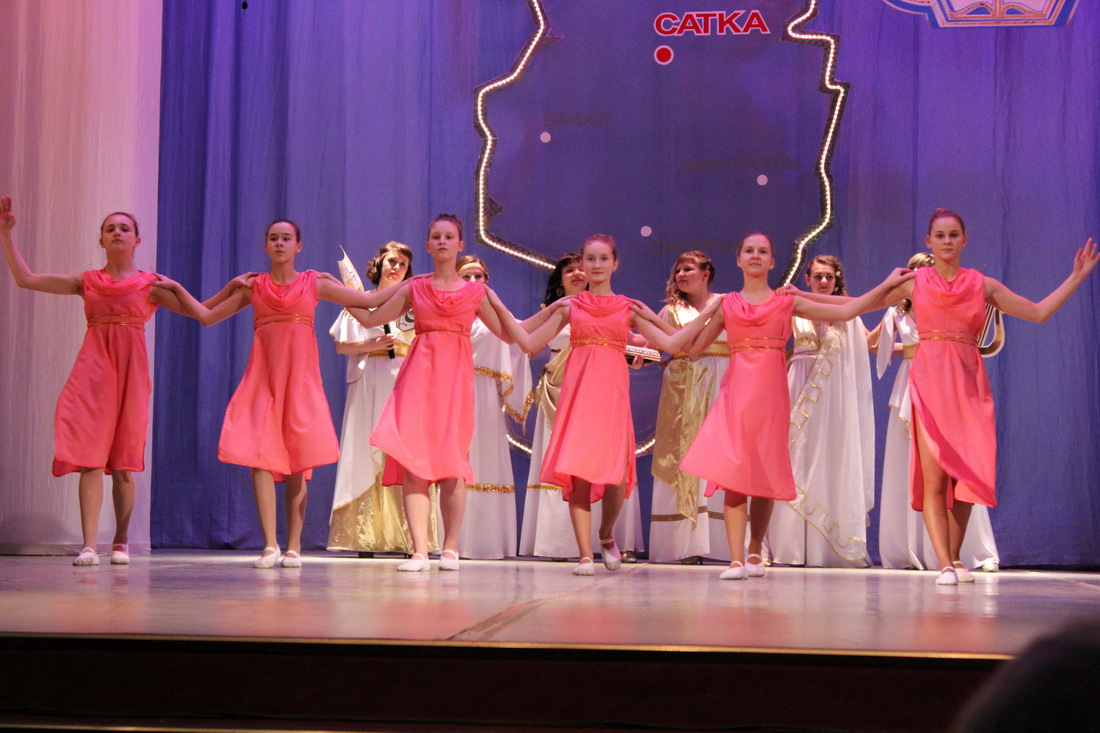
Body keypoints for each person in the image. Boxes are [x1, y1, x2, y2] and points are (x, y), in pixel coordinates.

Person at [0, 196, 244, 566]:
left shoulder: (149, 284)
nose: (117, 233)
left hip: (131, 375)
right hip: (93, 374)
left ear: (136, 240)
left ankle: (121, 540)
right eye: (110, 228)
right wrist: (6, 234)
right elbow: (26, 279)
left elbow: (204, 313)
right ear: (100, 240)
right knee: (89, 457)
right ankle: (88, 545)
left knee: (124, 462)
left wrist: (233, 290)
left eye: (124, 228)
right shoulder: (88, 281)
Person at [667, 233, 913, 580]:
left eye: (762, 251)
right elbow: (691, 348)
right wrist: (678, 321)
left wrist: (887, 285)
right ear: (739, 259)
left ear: (771, 261)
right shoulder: (727, 304)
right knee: (733, 478)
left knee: (764, 478)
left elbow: (848, 309)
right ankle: (737, 560)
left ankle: (755, 551)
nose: (755, 256)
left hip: (771, 398)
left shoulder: (786, 302)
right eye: (749, 251)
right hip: (735, 398)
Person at [156, 219, 400, 569]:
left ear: (298, 246)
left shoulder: (313, 283)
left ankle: (294, 546)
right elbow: (206, 316)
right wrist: (186, 288)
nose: (280, 243)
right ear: (266, 246)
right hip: (263, 383)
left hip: (300, 383)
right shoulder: (254, 286)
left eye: (286, 238)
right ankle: (270, 545)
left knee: (298, 462)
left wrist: (414, 284)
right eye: (274, 238)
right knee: (260, 459)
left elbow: (369, 300)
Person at [875, 209, 1096, 585]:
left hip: (969, 387)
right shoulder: (914, 282)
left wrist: (1076, 277)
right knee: (934, 481)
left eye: (953, 235)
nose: (947, 241)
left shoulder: (982, 285)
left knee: (969, 477)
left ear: (965, 240)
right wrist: (799, 298)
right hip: (929, 383)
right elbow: (855, 305)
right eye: (940, 236)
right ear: (929, 241)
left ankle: (954, 557)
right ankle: (945, 564)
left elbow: (1039, 312)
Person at [493, 234, 717, 576]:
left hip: (611, 398)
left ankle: (606, 534)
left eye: (603, 259)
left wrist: (708, 315)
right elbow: (526, 340)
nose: (596, 266)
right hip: (578, 397)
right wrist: (495, 303)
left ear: (615, 264)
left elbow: (671, 344)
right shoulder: (571, 306)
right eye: (590, 259)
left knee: (616, 478)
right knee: (578, 476)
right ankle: (585, 555)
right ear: (583, 264)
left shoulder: (628, 307)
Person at [352, 214, 557, 572]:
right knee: (414, 466)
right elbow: (371, 318)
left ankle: (450, 548)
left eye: (449, 236)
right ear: (428, 245)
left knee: (451, 468)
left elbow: (509, 334)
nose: (443, 242)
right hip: (417, 381)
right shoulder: (415, 287)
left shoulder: (476, 292)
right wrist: (333, 292)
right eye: (436, 236)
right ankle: (420, 551)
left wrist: (549, 311)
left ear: (460, 244)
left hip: (454, 384)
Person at [875, 253, 1000, 572]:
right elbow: (872, 341)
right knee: (921, 470)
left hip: (951, 379)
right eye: (915, 271)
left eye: (925, 270)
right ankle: (926, 552)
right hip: (915, 377)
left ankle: (955, 553)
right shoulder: (897, 312)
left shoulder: (958, 300)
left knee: (961, 467)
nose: (921, 276)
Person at [327, 242, 441, 555]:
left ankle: (408, 537)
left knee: (402, 454)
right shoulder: (359, 303)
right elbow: (341, 346)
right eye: (392, 261)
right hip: (368, 384)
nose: (396, 267)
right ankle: (364, 536)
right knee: (366, 451)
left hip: (404, 383)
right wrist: (373, 344)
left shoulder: (414, 308)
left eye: (403, 263)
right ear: (379, 264)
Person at [766, 255, 876, 568]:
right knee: (795, 459)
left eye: (829, 276)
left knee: (828, 458)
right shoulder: (793, 308)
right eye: (818, 276)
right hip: (798, 387)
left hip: (833, 395)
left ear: (836, 279)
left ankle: (825, 544)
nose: (824, 281)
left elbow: (866, 344)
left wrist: (889, 327)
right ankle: (790, 546)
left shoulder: (847, 313)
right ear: (808, 279)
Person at [648, 251, 731, 564]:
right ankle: (683, 543)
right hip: (683, 389)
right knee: (683, 456)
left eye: (688, 269)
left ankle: (724, 543)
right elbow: (655, 349)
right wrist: (626, 354)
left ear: (706, 274)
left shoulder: (726, 304)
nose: (681, 275)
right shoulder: (671, 311)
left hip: (722, 382)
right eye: (678, 270)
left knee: (721, 455)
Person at [453, 255, 532, 559]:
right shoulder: (448, 310)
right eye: (467, 276)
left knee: (484, 457)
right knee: (455, 458)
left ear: (487, 281)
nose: (473, 282)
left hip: (485, 395)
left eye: (479, 276)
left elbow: (520, 340)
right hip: (453, 389)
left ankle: (485, 540)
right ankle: (451, 540)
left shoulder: (498, 316)